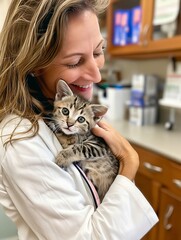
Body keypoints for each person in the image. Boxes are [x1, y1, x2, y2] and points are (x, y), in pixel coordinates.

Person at [0, 0, 158, 239]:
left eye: (98, 51)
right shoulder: (21, 142)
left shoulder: (57, 107)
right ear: (35, 65)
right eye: (75, 61)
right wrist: (129, 163)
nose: (96, 74)